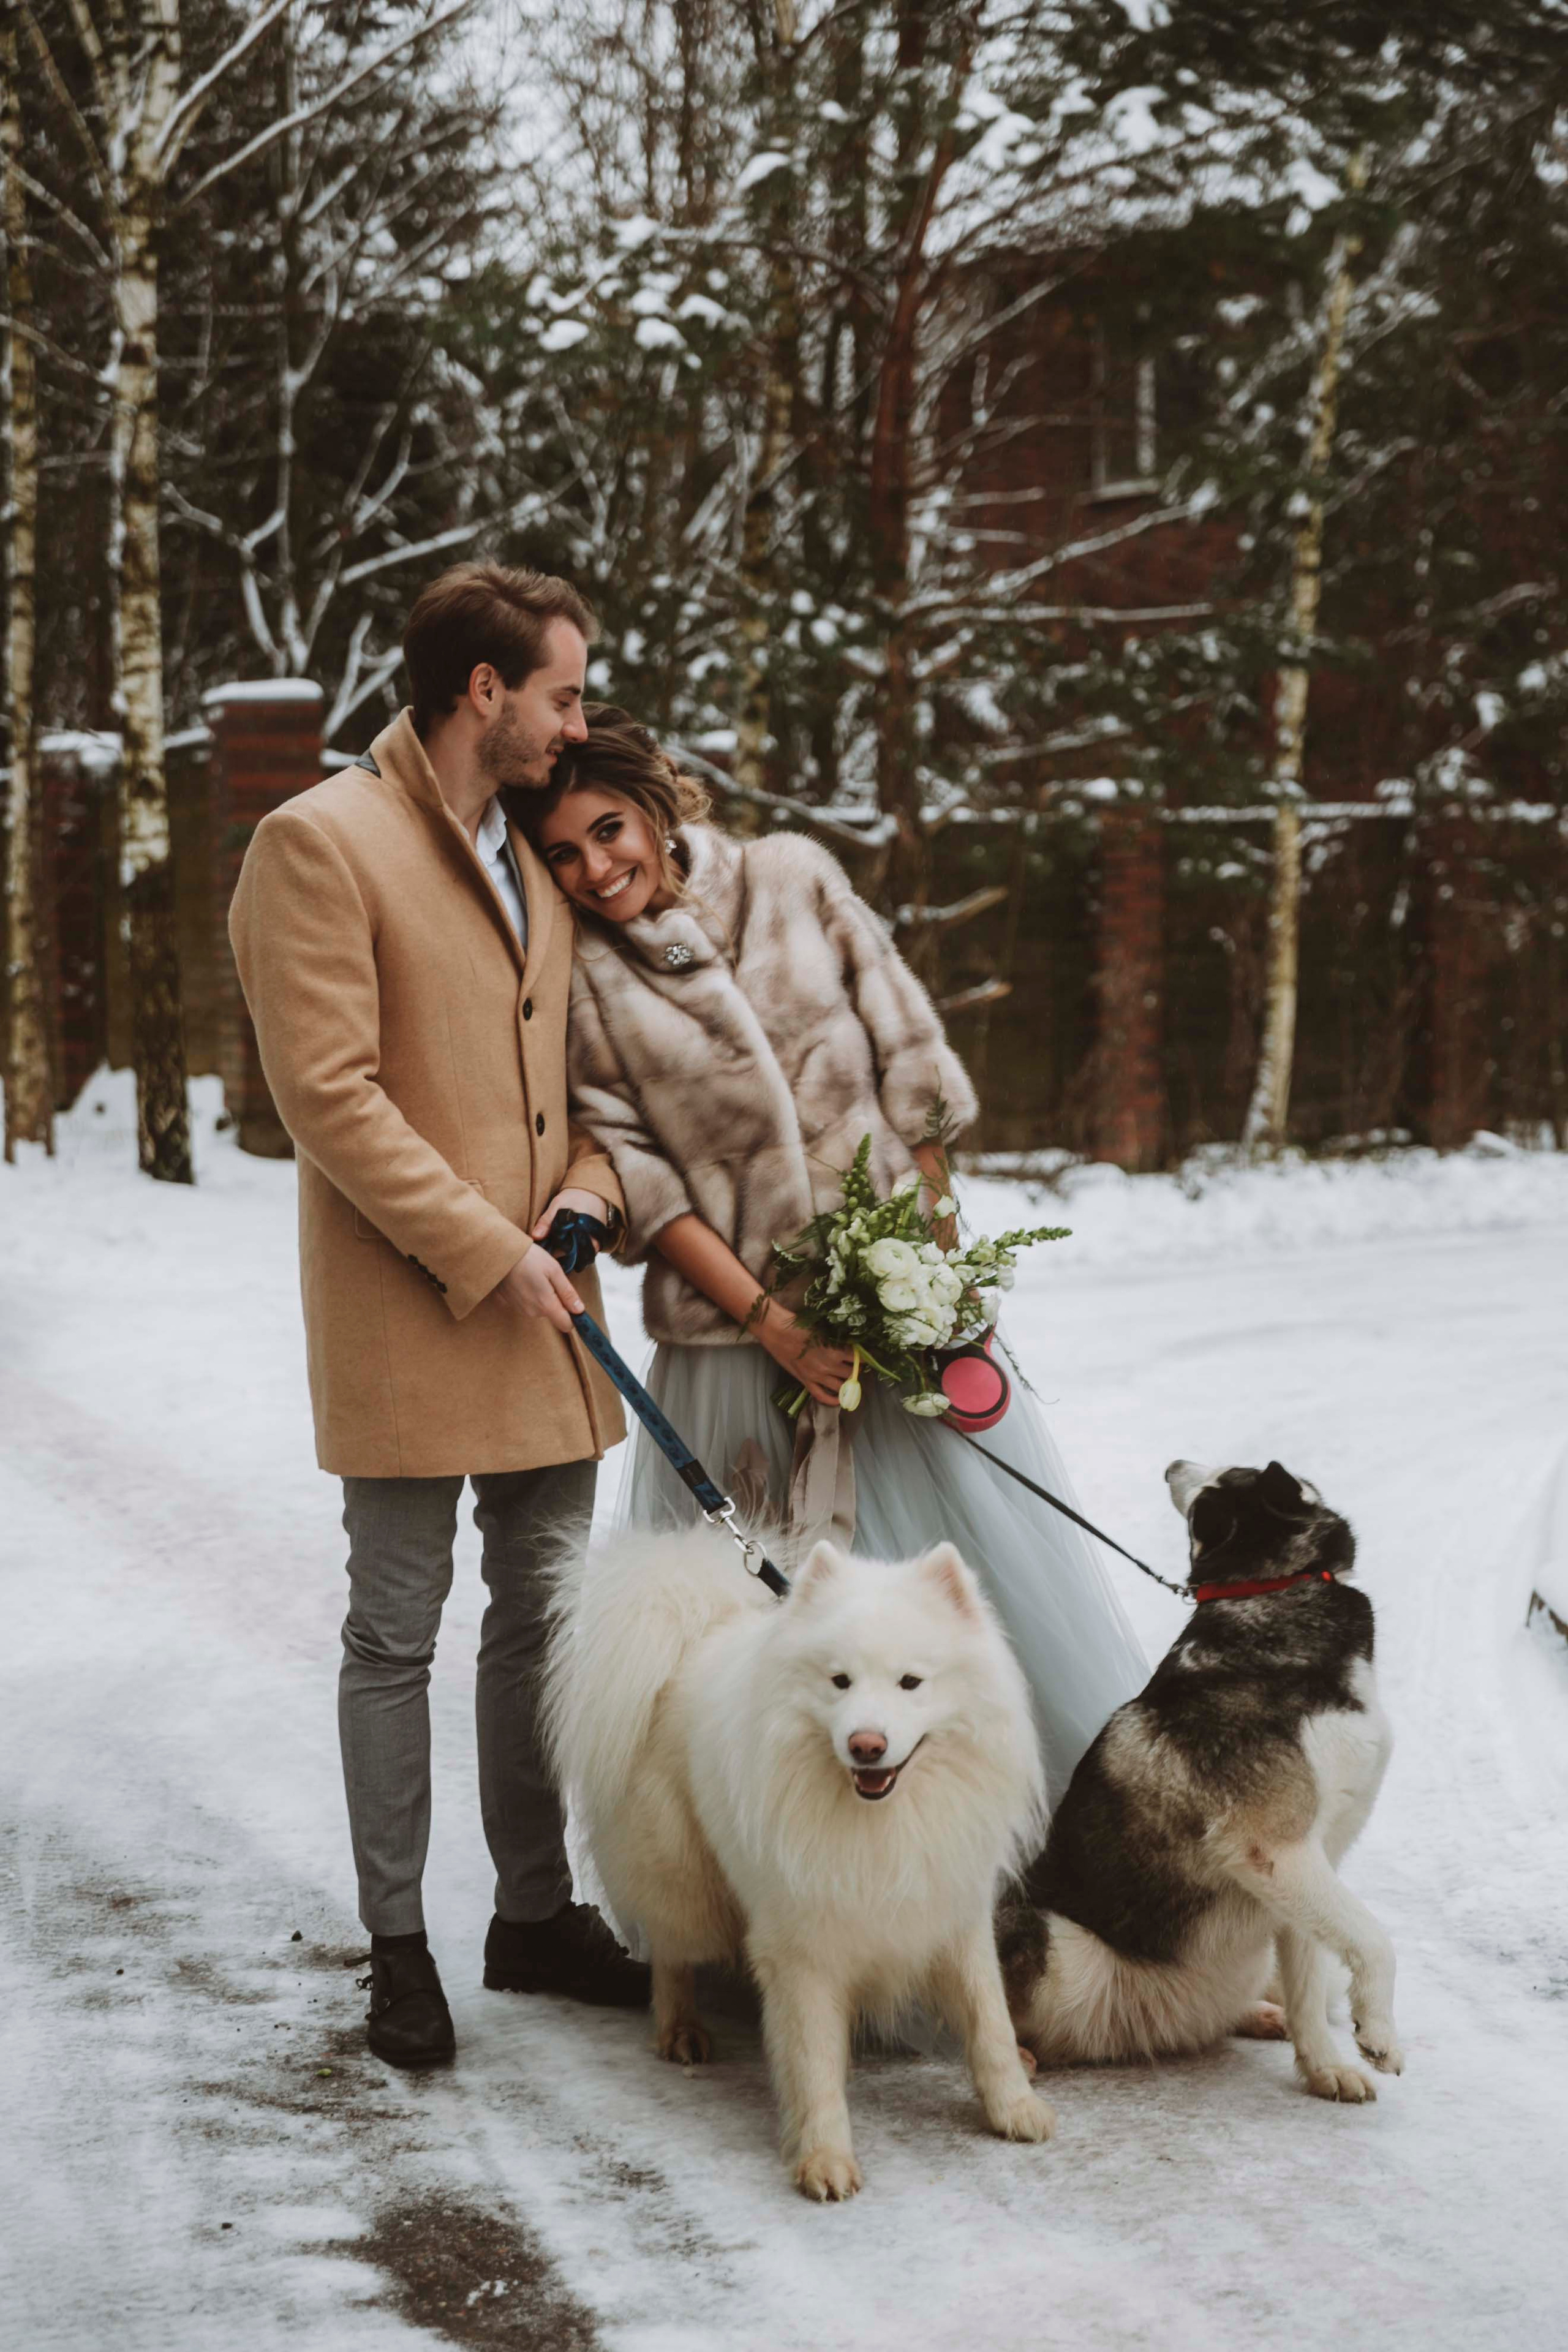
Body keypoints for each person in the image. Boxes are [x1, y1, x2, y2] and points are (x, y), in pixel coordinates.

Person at [514, 707, 1147, 1801]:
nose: (594, 868)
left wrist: (935, 1273)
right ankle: (790, 1919)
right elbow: (647, 1191)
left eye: (609, 830)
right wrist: (774, 1324)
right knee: (760, 1654)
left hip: (895, 1338)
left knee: (951, 1631)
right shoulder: (585, 982)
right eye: (563, 854)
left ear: (659, 809)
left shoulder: (794, 882)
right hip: (736, 1351)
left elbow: (914, 1072)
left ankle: (1046, 1894)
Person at [229, 564, 649, 2070]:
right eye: (563, 693)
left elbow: (601, 1080)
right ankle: (397, 1948)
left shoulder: (543, 852)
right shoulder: (316, 842)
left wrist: (588, 1202)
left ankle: (532, 1918)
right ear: (486, 691)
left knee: (541, 1630)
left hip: (551, 1312)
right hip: (411, 1308)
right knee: (395, 1632)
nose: (576, 721)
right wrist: (488, 1246)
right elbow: (325, 1098)